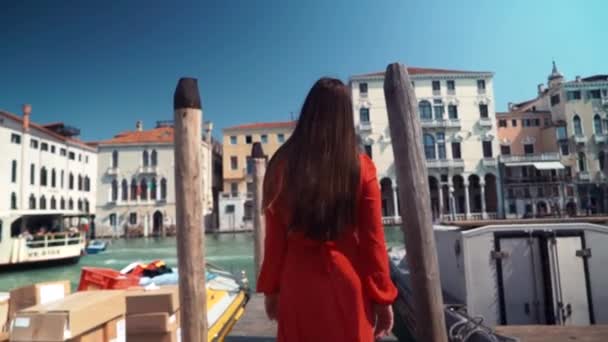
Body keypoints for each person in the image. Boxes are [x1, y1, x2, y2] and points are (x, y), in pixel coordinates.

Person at [257, 78, 398, 341]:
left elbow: (274, 241)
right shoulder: (362, 168)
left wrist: (271, 290)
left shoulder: (279, 167)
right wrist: (382, 296)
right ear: (346, 117)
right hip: (347, 284)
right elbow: (373, 241)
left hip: (297, 285)